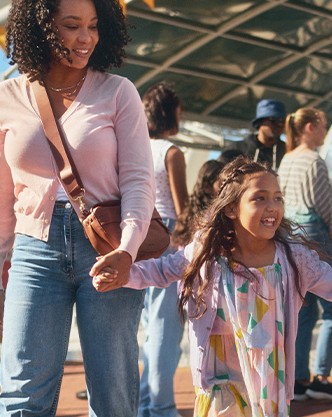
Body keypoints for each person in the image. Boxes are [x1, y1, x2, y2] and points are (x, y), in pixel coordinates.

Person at [92, 157, 332, 416]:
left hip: (268, 384)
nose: (272, 206)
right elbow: (163, 270)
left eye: (277, 198)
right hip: (220, 383)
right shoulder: (208, 252)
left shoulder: (294, 258)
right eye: (259, 198)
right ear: (231, 208)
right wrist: (126, 274)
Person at [0, 0, 154, 417]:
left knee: (113, 394)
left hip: (108, 247)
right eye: (72, 25)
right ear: (40, 26)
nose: (86, 38)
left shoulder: (118, 92)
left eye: (94, 26)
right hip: (33, 249)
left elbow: (139, 180)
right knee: (21, 394)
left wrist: (129, 250)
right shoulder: (2, 99)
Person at [279, 108, 332, 401]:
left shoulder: (286, 160)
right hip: (314, 233)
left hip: (290, 235)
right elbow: (325, 207)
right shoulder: (314, 161)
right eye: (322, 127)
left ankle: (298, 378)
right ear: (309, 128)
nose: (324, 133)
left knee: (302, 309)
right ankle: (321, 376)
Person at [138, 82, 189, 417]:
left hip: (140, 237)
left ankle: (145, 402)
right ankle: (161, 407)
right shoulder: (172, 153)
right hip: (170, 235)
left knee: (149, 325)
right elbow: (183, 206)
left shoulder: (136, 149)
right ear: (171, 113)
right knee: (166, 329)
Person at [170, 159, 225, 248]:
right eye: (221, 183)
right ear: (206, 186)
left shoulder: (187, 215)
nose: (225, 188)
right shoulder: (209, 217)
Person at [234, 99, 287, 169]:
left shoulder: (288, 151)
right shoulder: (238, 149)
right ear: (259, 122)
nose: (280, 124)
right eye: (273, 120)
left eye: (283, 121)